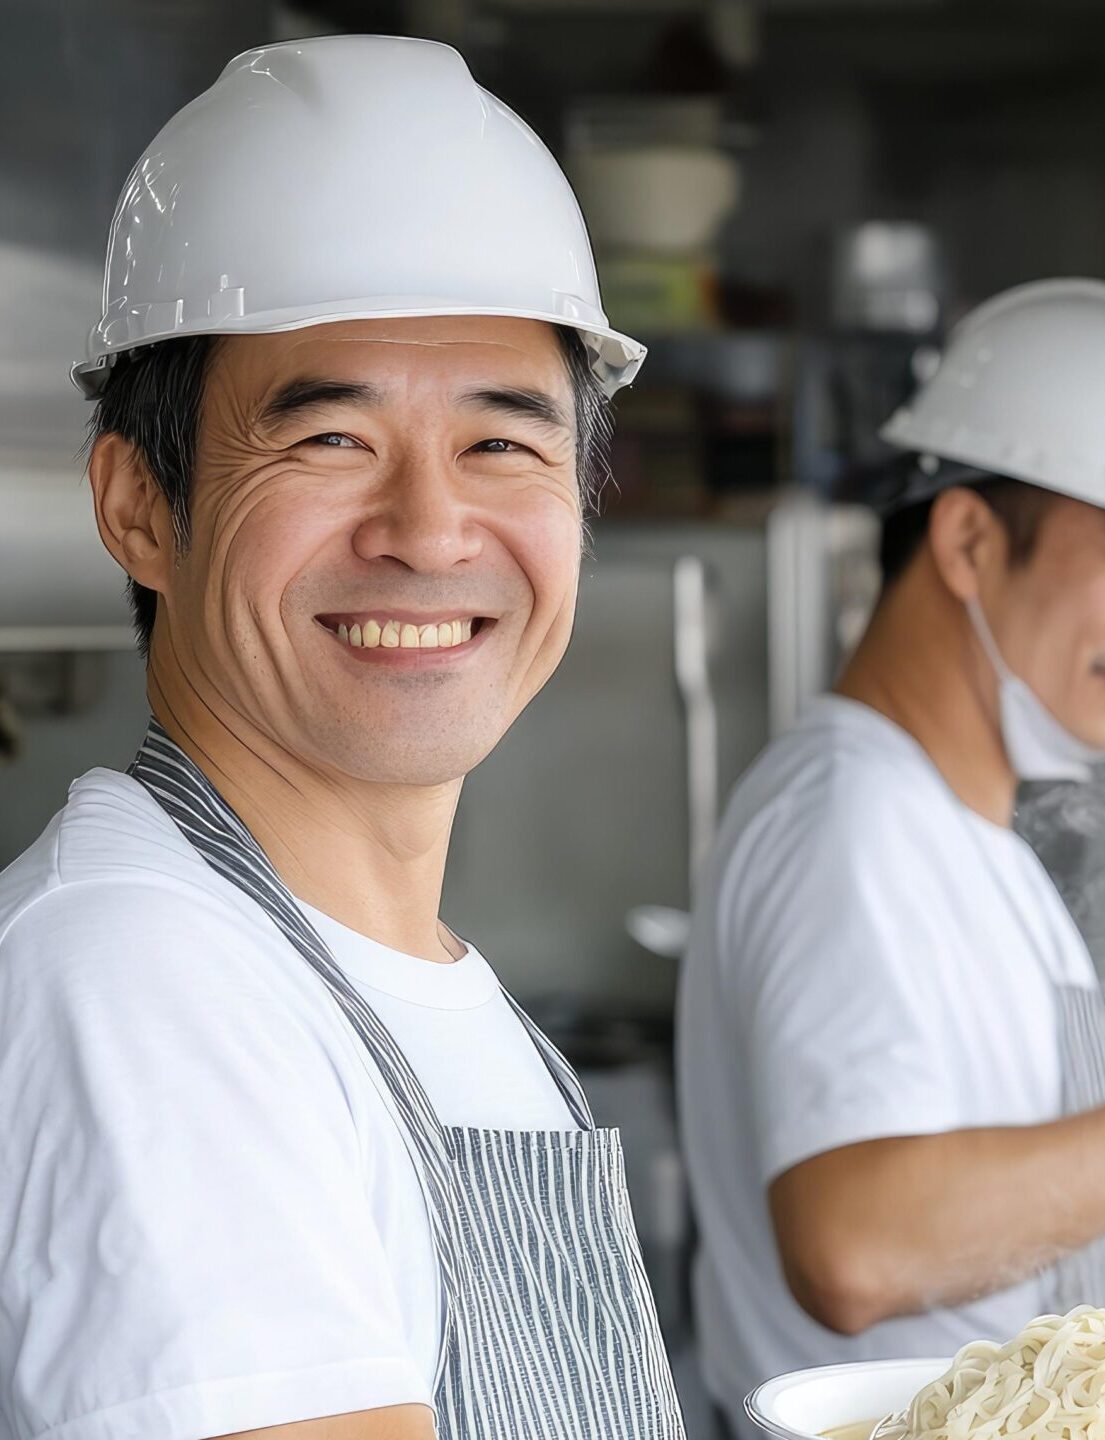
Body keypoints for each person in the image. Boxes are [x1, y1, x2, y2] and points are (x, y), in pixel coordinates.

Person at [0, 36, 683, 1439]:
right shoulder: (140, 973)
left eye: (503, 443)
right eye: (329, 443)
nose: (432, 532)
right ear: (138, 510)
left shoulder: (414, 985)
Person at [678, 278, 1105, 1423]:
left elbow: (980, 1183)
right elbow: (859, 1246)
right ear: (966, 539)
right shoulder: (849, 819)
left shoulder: (964, 833)